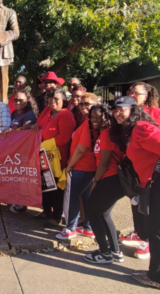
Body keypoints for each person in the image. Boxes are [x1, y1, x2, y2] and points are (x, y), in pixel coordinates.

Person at [110, 96, 160, 290]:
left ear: (133, 110)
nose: (116, 112)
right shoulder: (133, 131)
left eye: (121, 108)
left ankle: (157, 278)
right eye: (114, 109)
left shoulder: (142, 127)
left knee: (159, 231)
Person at [119, 81, 160, 259]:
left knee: (151, 206)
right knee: (136, 201)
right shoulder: (129, 113)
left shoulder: (158, 114)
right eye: (130, 92)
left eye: (135, 93)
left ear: (147, 96)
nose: (131, 94)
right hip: (133, 167)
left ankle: (149, 242)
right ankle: (140, 231)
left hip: (153, 170)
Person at [82, 104, 125, 264]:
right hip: (111, 180)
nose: (94, 119)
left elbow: (104, 163)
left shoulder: (108, 134)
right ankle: (115, 251)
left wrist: (95, 182)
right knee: (104, 214)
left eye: (97, 116)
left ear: (107, 116)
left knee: (92, 212)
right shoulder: (104, 133)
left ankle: (105, 253)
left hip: (110, 179)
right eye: (92, 117)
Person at [55, 93, 99, 240]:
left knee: (74, 197)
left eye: (87, 104)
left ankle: (70, 228)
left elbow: (81, 148)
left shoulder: (88, 124)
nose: (84, 107)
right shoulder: (88, 122)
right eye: (81, 104)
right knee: (85, 198)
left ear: (96, 104)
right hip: (86, 167)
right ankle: (87, 227)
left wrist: (70, 165)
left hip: (82, 166)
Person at [31, 86, 76, 227]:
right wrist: (34, 127)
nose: (53, 102)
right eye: (50, 99)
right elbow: (38, 125)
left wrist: (44, 144)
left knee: (56, 188)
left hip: (58, 158)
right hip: (44, 156)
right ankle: (46, 211)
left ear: (63, 100)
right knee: (45, 185)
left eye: (56, 99)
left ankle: (57, 216)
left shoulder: (66, 115)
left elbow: (64, 138)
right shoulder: (46, 111)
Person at [0, 90, 38, 214]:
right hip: (13, 151)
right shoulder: (15, 112)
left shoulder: (29, 115)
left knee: (22, 178)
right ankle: (15, 200)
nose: (17, 102)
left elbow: (24, 134)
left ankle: (22, 204)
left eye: (21, 100)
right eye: (16, 100)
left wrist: (10, 130)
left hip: (24, 151)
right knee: (15, 177)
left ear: (27, 101)